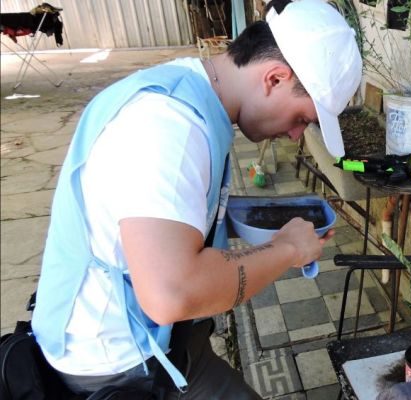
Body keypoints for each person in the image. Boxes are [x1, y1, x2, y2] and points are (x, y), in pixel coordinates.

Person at [30, 0, 362, 398]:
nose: (296, 135)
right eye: (302, 119)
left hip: (167, 340)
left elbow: (174, 209)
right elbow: (171, 293)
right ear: (274, 78)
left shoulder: (190, 88)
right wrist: (288, 249)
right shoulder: (169, 125)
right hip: (117, 361)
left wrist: (254, 217)